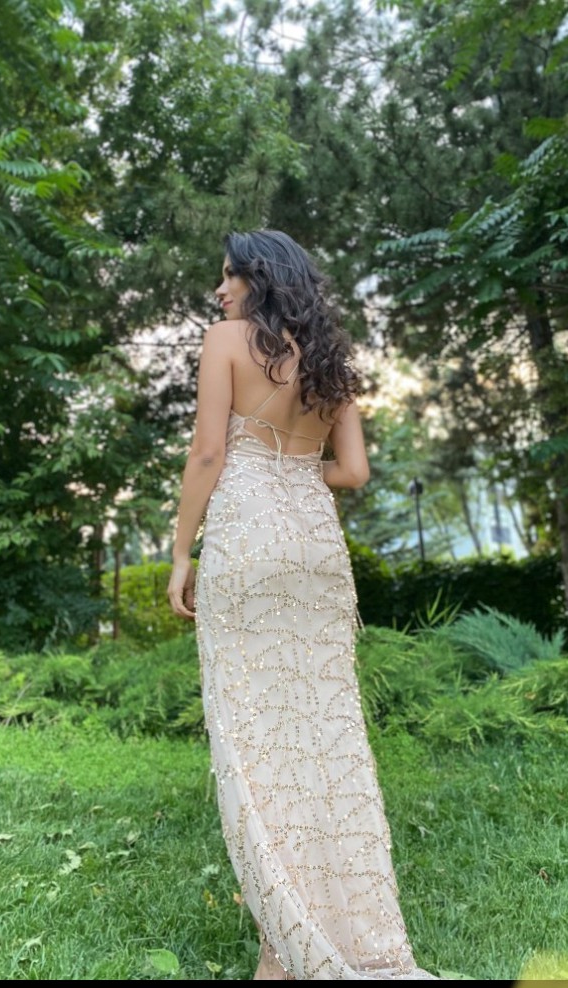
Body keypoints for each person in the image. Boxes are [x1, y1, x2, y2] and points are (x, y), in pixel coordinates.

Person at [167, 230, 439, 981]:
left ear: (258, 278)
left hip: (247, 540)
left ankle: (288, 950)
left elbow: (209, 453)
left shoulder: (224, 341)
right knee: (325, 741)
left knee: (257, 743)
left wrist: (181, 552)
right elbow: (353, 471)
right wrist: (291, 475)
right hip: (316, 548)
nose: (219, 291)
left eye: (228, 276)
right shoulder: (329, 357)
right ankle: (327, 938)